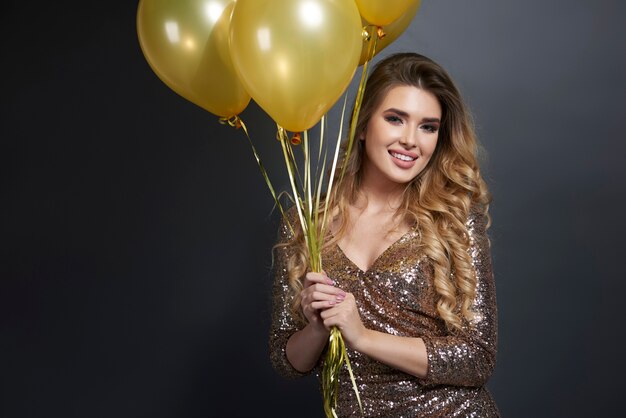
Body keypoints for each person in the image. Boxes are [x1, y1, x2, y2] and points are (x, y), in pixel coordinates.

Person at [269, 52, 499, 417]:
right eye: (395, 119)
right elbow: (287, 362)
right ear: (363, 125)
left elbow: (477, 358)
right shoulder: (306, 223)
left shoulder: (453, 218)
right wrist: (316, 327)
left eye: (428, 127)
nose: (411, 140)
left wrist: (362, 337)